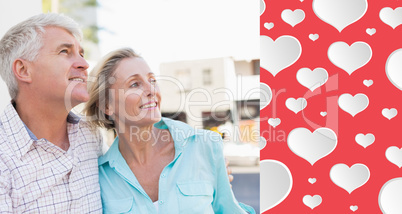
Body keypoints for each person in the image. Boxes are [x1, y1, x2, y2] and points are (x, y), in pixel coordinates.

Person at [84, 48, 256, 213]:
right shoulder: (101, 177)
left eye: (152, 81)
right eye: (135, 84)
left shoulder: (204, 146)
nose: (151, 90)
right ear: (106, 105)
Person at [0, 13, 103, 213]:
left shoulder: (91, 134)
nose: (84, 64)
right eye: (65, 51)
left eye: (81, 53)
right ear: (23, 70)